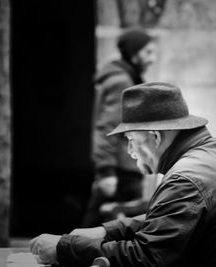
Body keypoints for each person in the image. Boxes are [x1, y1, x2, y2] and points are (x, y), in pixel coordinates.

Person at [30, 82, 216, 267]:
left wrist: (65, 248)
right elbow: (168, 220)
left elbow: (146, 258)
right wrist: (107, 231)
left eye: (131, 140)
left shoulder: (185, 180)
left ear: (155, 137)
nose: (131, 152)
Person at [81, 27, 157, 227]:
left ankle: (67, 251)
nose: (153, 58)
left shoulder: (126, 77)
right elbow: (107, 128)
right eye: (148, 52)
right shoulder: (121, 81)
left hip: (124, 167)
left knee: (107, 229)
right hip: (121, 171)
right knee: (110, 228)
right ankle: (63, 251)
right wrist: (106, 172)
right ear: (133, 53)